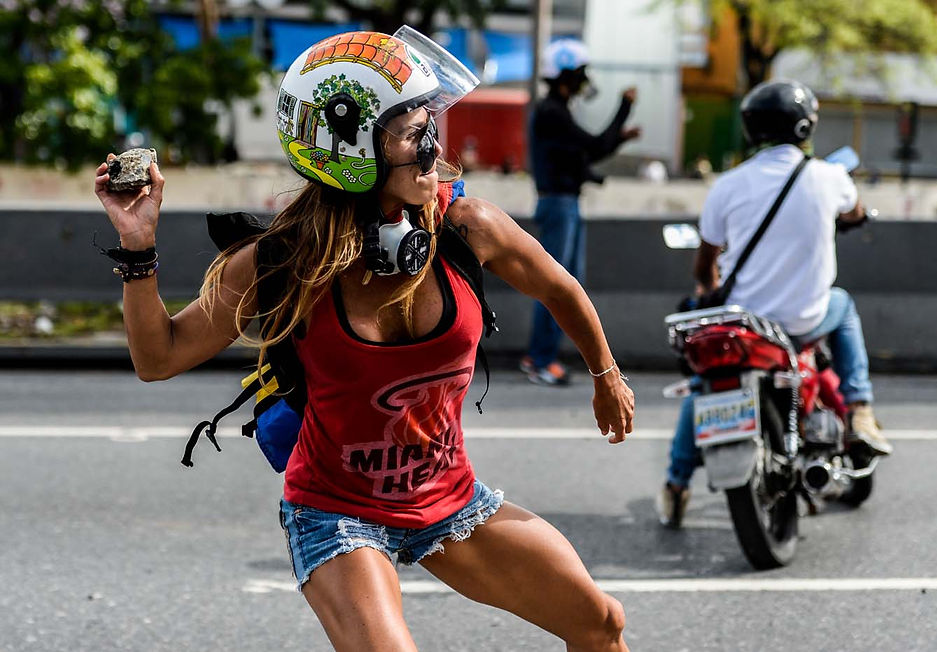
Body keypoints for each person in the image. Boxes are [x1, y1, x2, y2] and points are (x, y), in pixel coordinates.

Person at [94, 27, 634, 651]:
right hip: (336, 513)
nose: (434, 150)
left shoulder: (465, 228)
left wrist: (606, 375)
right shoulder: (282, 263)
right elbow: (158, 357)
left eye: (430, 127)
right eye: (412, 134)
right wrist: (137, 246)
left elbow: (561, 288)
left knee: (601, 624)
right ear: (349, 150)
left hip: (447, 497)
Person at [657, 79, 892, 528]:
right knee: (843, 304)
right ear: (805, 127)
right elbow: (855, 212)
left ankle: (676, 483)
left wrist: (708, 294)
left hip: (744, 326)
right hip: (803, 323)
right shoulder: (829, 177)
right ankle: (860, 407)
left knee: (708, 383)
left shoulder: (727, 185)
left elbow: (705, 265)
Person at [520, 38, 641, 386]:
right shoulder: (552, 113)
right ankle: (540, 359)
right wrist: (623, 108)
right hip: (559, 206)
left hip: (565, 203)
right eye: (580, 73)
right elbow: (594, 147)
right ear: (566, 76)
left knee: (566, 284)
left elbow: (581, 157)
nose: (584, 81)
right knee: (556, 285)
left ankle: (543, 356)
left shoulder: (557, 112)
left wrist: (620, 137)